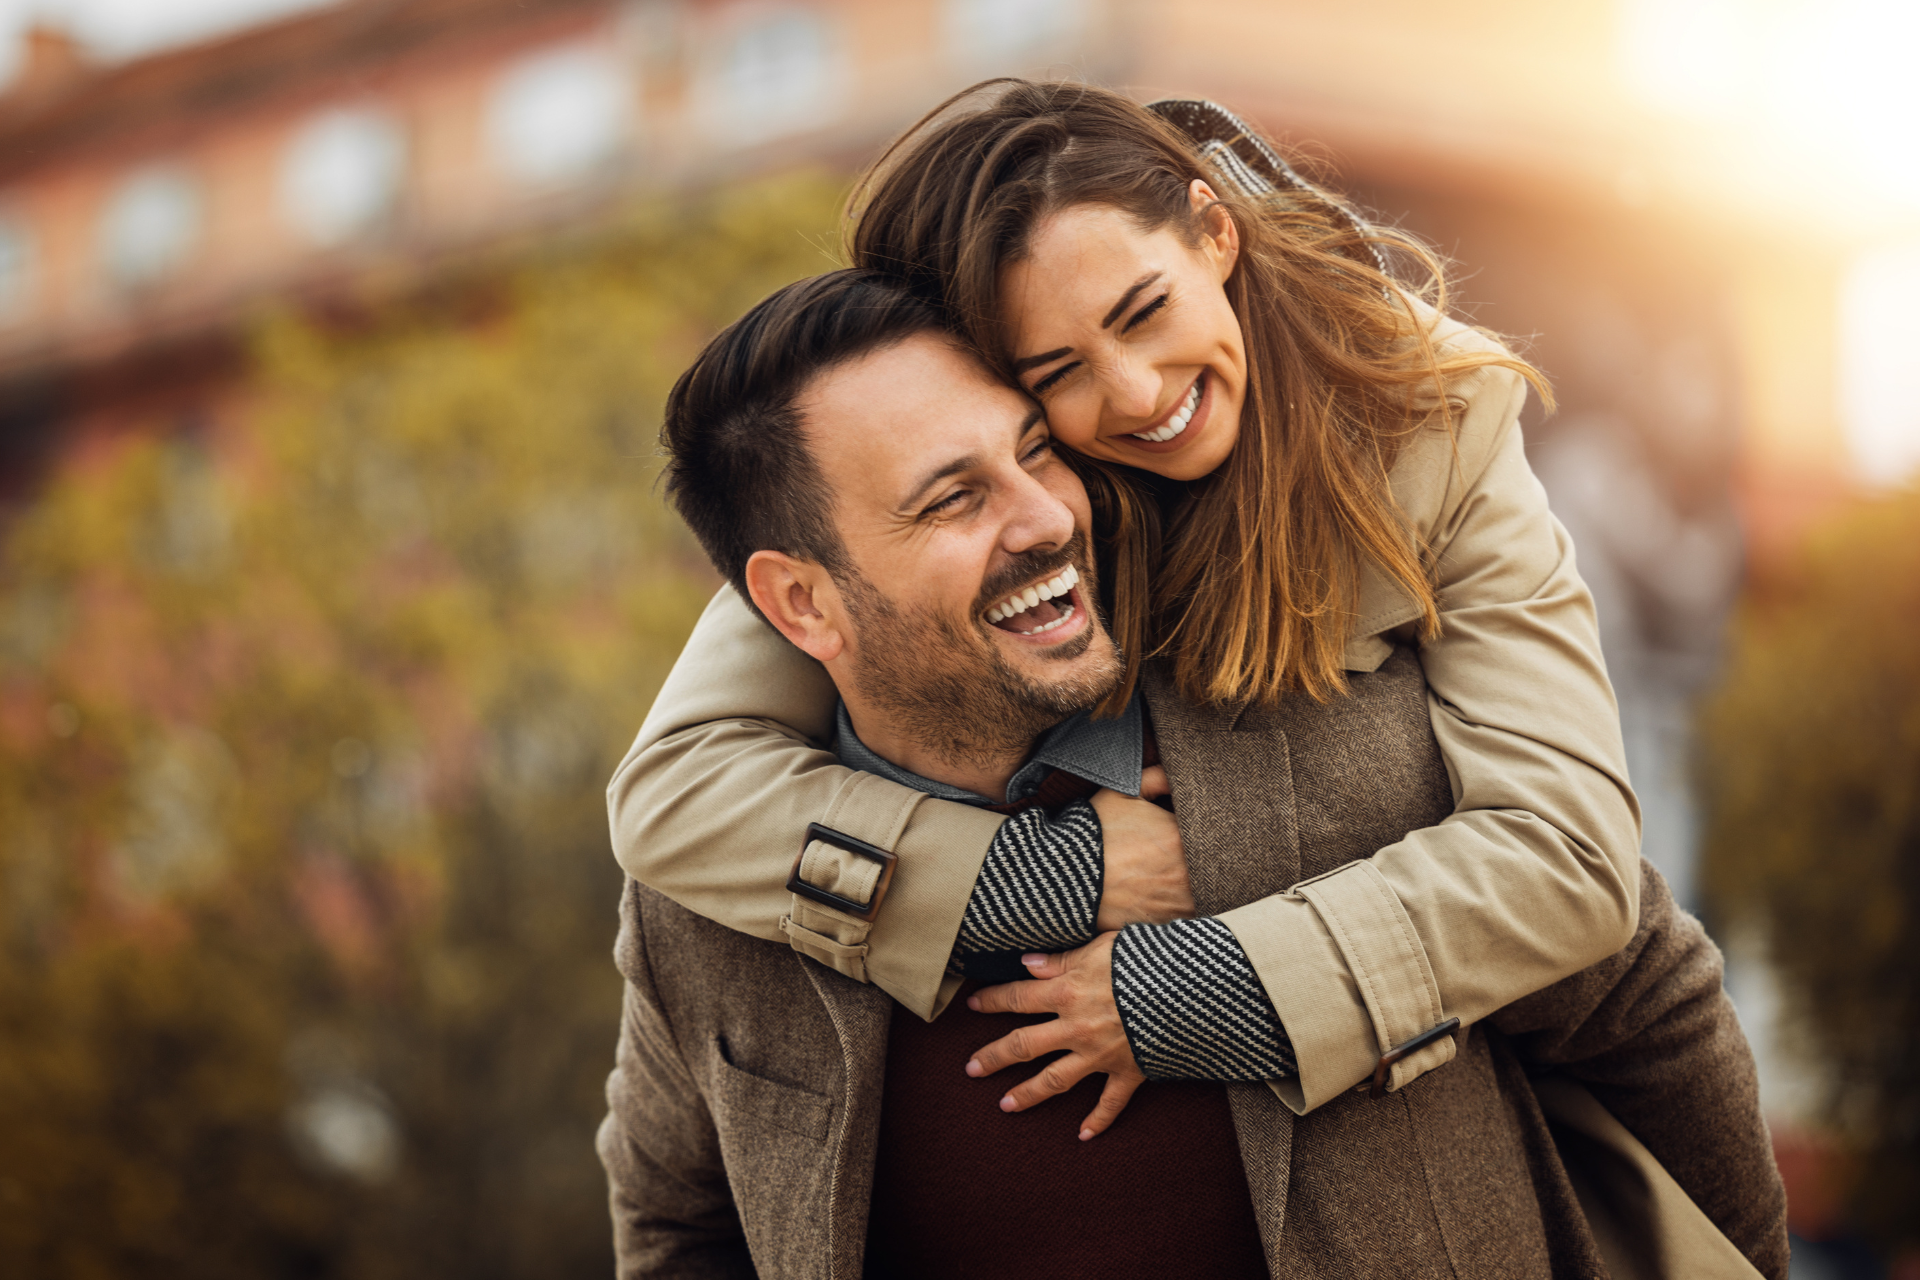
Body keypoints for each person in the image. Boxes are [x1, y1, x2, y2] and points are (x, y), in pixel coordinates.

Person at [597, 267, 1787, 1278]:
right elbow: (678, 1221)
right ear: (799, 603)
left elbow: (1651, 1011)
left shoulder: (1338, 738)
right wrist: (1038, 879)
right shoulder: (712, 905)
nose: (1049, 516)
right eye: (954, 498)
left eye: (1033, 452)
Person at [608, 81, 1640, 1130]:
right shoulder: (977, 494)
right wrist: (1052, 873)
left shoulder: (1430, 418)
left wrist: (1195, 987)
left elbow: (1575, 859)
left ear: (1215, 232)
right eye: (1057, 372)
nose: (1140, 395)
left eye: (1144, 311)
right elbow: (680, 796)